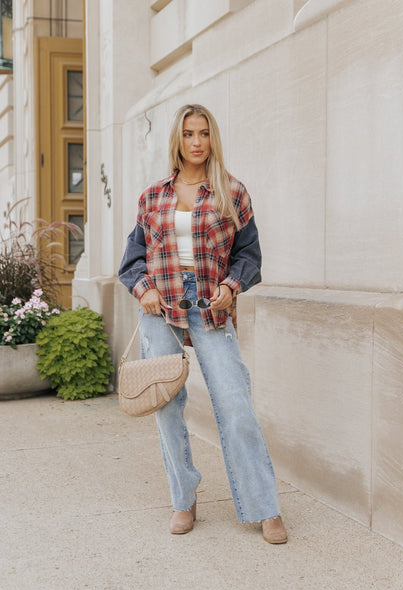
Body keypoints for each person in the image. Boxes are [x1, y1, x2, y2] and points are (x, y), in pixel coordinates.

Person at [118, 104, 287, 544]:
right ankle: (183, 498)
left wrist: (232, 286)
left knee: (235, 405)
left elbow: (250, 256)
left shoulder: (232, 192)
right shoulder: (152, 197)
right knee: (167, 406)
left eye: (204, 133)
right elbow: (131, 262)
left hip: (211, 306)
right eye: (189, 134)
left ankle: (264, 506)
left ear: (213, 139)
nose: (196, 142)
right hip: (161, 309)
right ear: (178, 140)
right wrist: (144, 290)